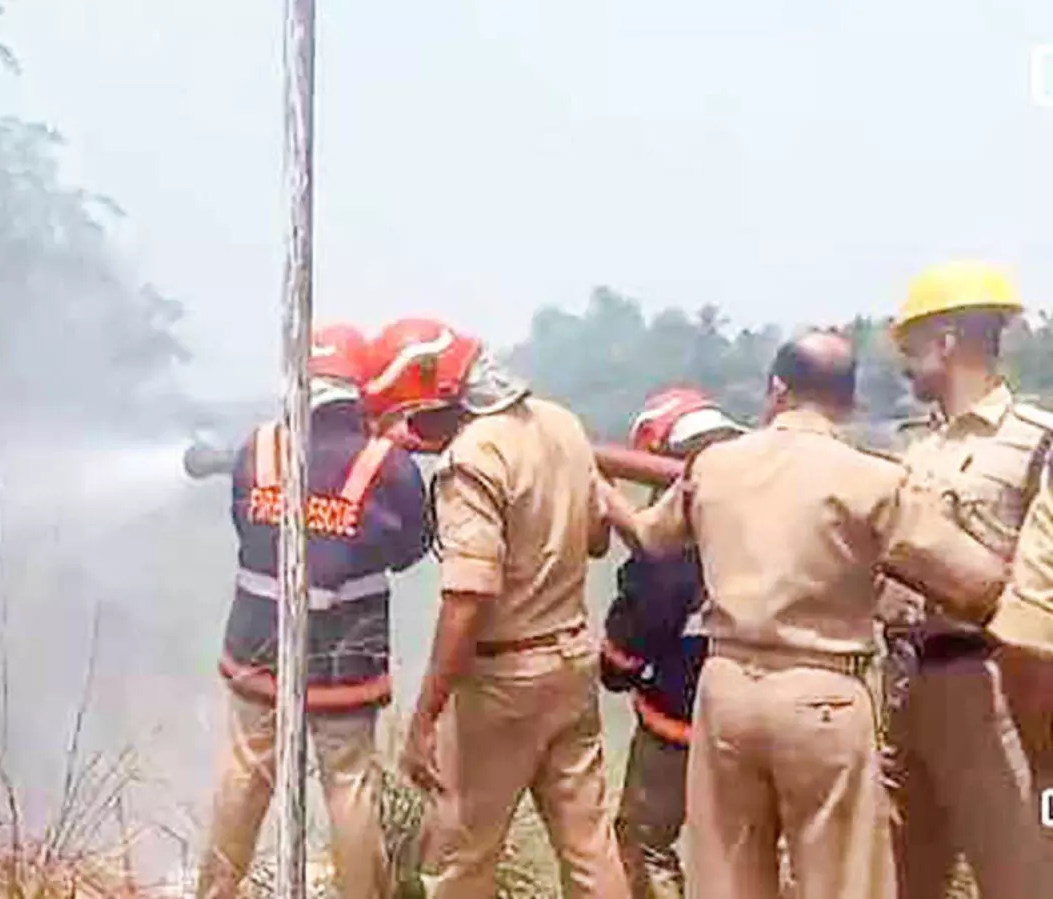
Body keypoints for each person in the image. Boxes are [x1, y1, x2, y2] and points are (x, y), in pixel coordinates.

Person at [600, 330, 1011, 899]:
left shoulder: (713, 467)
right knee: (840, 879)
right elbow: (977, 586)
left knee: (727, 880)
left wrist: (600, 487)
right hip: (822, 697)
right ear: (850, 402)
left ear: (776, 390)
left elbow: (650, 537)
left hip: (726, 693)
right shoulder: (872, 479)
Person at [367, 317, 627, 899]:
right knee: (589, 848)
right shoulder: (561, 423)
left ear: (440, 401)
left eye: (417, 419)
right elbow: (596, 539)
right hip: (571, 660)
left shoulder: (471, 459)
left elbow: (468, 599)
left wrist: (425, 716)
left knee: (461, 857)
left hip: (502, 683)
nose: (419, 434)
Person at [195, 323, 430, 899]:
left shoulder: (258, 447)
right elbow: (410, 550)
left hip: (256, 642)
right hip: (345, 652)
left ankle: (216, 891)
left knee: (246, 771)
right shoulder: (387, 463)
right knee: (348, 782)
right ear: (360, 388)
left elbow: (243, 525)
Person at [880, 260, 1053, 896]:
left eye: (911, 348)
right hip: (904, 683)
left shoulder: (1037, 442)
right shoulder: (914, 448)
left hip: (996, 686)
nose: (905, 366)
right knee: (903, 877)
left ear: (946, 341)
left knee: (1021, 872)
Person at [601, 387, 746, 899]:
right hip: (770, 707)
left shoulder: (684, 520)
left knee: (645, 840)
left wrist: (615, 666)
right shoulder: (768, 491)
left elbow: (645, 616)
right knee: (747, 849)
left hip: (681, 716)